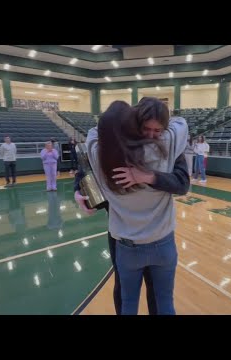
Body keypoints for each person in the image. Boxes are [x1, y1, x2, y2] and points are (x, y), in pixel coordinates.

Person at [74, 109, 189, 316]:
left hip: (126, 237)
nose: (152, 135)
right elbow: (86, 170)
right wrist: (79, 188)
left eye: (157, 130)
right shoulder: (168, 146)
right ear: (133, 127)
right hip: (147, 238)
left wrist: (149, 176)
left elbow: (182, 183)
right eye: (145, 128)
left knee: (137, 297)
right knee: (148, 295)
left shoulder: (102, 151)